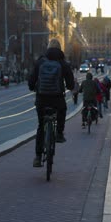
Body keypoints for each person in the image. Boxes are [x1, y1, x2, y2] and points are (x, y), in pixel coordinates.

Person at [28, 38, 74, 167]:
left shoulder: (40, 62)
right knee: (62, 110)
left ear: (48, 48)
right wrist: (69, 86)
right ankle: (59, 133)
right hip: (57, 98)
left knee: (41, 126)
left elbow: (31, 81)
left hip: (42, 98)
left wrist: (32, 87)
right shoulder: (63, 63)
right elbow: (70, 84)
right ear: (60, 49)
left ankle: (37, 157)